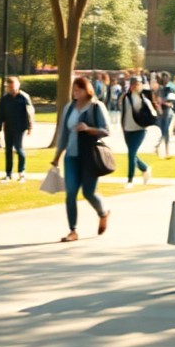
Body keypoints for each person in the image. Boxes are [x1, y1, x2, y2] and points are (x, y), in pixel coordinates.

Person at [50, 76, 112, 242]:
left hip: (89, 157)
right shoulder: (69, 108)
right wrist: (57, 156)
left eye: (79, 90)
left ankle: (103, 213)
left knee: (88, 192)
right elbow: (63, 133)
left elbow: (106, 130)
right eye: (74, 90)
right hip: (71, 156)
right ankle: (73, 231)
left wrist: (88, 129)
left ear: (87, 90)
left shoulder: (96, 107)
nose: (75, 93)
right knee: (70, 193)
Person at [0, 76, 35, 183]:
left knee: (18, 148)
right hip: (8, 127)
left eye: (12, 87)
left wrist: (30, 126)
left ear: (17, 86)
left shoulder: (23, 97)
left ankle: (21, 173)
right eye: (9, 87)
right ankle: (8, 174)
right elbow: (0, 115)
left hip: (20, 127)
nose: (11, 89)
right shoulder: (4, 99)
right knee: (8, 150)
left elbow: (30, 112)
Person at [118, 76, 155, 187]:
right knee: (132, 154)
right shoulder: (125, 97)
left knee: (131, 154)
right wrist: (122, 128)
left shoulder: (144, 98)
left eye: (138, 83)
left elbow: (151, 112)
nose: (136, 85)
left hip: (139, 130)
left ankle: (130, 180)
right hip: (127, 129)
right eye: (134, 83)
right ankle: (145, 168)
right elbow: (123, 112)